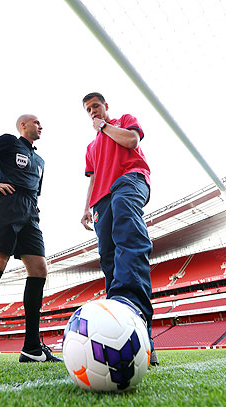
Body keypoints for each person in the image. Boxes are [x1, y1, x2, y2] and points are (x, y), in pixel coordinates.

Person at [0, 114, 62, 365]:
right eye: (36, 122)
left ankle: (32, 348)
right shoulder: (10, 142)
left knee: (39, 269)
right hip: (6, 206)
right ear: (23, 125)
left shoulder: (40, 160)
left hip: (30, 213)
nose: (41, 125)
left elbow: (37, 191)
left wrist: (32, 211)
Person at [81, 92, 159, 366]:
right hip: (101, 198)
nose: (92, 111)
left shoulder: (123, 121)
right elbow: (92, 179)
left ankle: (133, 312)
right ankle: (121, 328)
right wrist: (86, 207)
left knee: (128, 232)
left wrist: (104, 126)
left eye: (96, 106)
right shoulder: (91, 148)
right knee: (109, 257)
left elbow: (132, 140)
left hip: (129, 179)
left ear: (106, 106)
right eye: (88, 109)